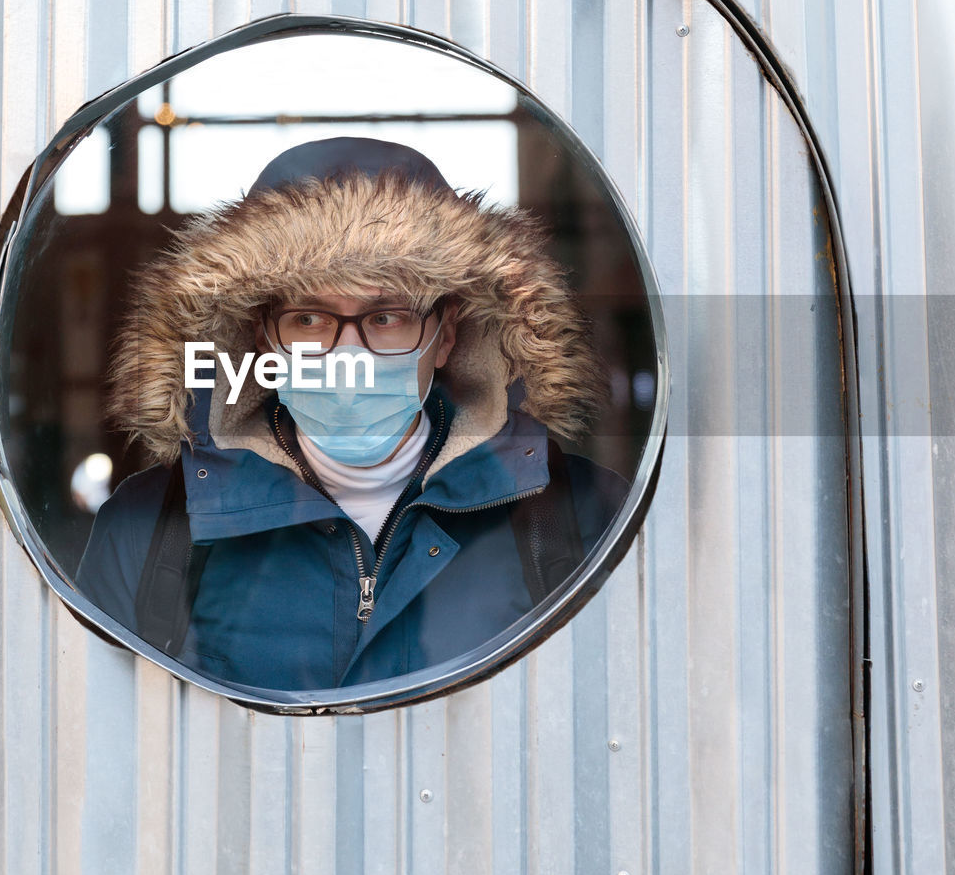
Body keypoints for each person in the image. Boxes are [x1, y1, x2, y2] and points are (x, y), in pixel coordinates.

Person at [75, 137, 626, 690]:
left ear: (445, 335)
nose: (348, 356)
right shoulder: (150, 530)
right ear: (263, 337)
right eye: (309, 320)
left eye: (386, 317)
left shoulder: (581, 518)